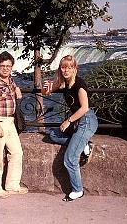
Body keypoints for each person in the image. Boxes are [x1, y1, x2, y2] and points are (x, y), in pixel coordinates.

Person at [45, 55, 98, 202]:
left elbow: (85, 108)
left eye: (69, 67)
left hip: (86, 120)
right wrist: (47, 88)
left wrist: (68, 121)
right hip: (77, 121)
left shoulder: (79, 84)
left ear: (75, 68)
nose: (66, 70)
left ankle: (77, 190)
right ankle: (83, 145)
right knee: (53, 135)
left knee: (69, 158)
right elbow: (47, 91)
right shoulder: (64, 83)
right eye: (63, 67)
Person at [0, 51, 28, 198]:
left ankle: (12, 185)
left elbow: (12, 95)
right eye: (3, 66)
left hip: (10, 121)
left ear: (12, 66)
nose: (5, 68)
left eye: (8, 66)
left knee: (16, 152)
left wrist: (17, 92)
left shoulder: (11, 81)